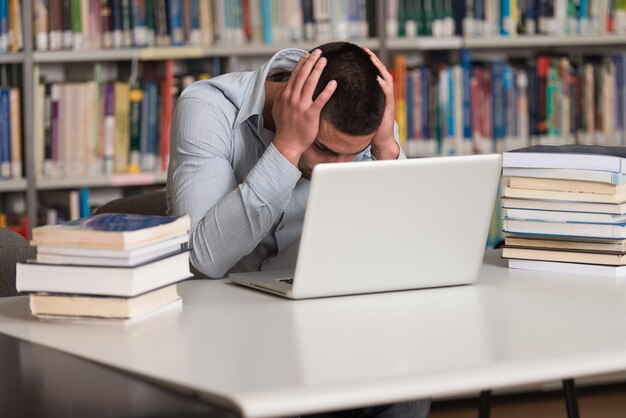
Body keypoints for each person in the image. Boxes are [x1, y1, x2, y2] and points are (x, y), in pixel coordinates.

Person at [166, 42, 430, 418]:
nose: (335, 168)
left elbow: (409, 249)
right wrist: (286, 147)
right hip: (229, 332)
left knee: (408, 371)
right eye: (323, 148)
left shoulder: (364, 121)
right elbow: (204, 260)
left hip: (327, 327)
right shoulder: (208, 108)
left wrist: (386, 148)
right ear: (288, 101)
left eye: (350, 155)